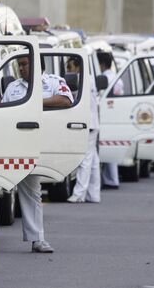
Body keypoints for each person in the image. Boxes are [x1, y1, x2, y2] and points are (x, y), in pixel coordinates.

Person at [2, 55, 73, 253]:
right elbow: (1, 110)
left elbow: (66, 100)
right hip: (13, 145)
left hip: (37, 145)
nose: (22, 68)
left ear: (36, 64)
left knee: (32, 191)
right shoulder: (13, 88)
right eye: (20, 65)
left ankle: (37, 238)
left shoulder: (53, 82)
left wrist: (36, 102)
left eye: (25, 64)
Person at [67, 58, 101, 203]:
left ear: (78, 67)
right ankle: (93, 194)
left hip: (88, 124)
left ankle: (79, 193)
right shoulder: (90, 78)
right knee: (93, 160)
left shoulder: (80, 80)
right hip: (93, 122)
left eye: (70, 67)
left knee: (85, 160)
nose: (68, 70)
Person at [98, 54, 121, 189]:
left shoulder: (105, 78)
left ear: (101, 64)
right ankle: (111, 179)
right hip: (114, 116)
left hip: (104, 116)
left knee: (104, 149)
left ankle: (111, 180)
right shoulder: (117, 78)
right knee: (110, 147)